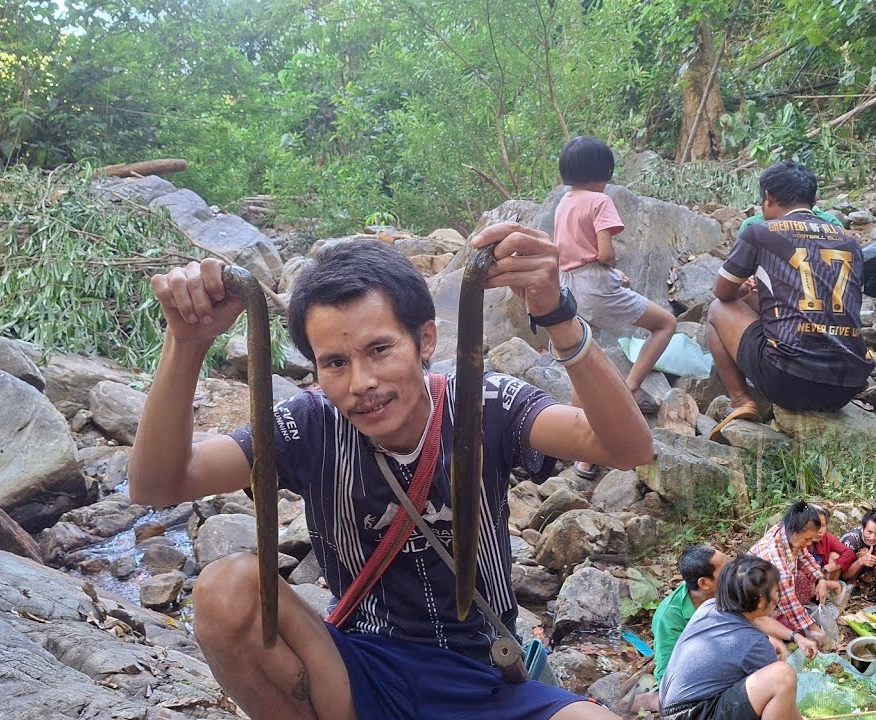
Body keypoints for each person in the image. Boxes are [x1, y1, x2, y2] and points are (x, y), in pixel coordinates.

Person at [128, 227, 655, 720]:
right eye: (335, 363)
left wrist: (559, 315)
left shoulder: (485, 402)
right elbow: (158, 485)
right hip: (361, 669)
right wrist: (187, 343)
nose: (362, 382)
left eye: (380, 349)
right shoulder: (308, 424)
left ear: (424, 340)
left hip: (482, 675)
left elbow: (625, 447)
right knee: (226, 587)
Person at [706, 161, 874, 439]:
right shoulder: (849, 240)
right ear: (814, 200)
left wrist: (746, 290)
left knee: (717, 309)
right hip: (848, 384)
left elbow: (722, 292)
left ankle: (741, 401)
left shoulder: (760, 232)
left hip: (788, 380)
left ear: (769, 197)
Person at [552, 136, 678, 477]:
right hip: (596, 287)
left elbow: (572, 253)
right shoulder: (600, 200)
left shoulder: (565, 201)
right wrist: (612, 262)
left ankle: (581, 455)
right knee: (665, 324)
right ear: (604, 172)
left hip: (569, 287)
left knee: (584, 362)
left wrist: (608, 269)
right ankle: (631, 388)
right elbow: (604, 252)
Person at [659, 555, 805, 720]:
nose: (779, 596)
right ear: (760, 602)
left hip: (670, 707)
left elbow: (751, 626)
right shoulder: (755, 644)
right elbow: (780, 695)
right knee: (782, 676)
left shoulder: (709, 607)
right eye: (777, 591)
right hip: (695, 714)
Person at [750, 501, 840, 648]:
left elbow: (805, 558)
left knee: (806, 583)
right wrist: (811, 626)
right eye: (807, 539)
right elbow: (786, 597)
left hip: (777, 590)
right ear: (795, 531)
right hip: (758, 596)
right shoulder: (773, 554)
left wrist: (821, 579)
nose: (810, 544)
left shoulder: (789, 532)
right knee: (793, 629)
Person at [653, 546, 732, 684]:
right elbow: (668, 671)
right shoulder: (668, 617)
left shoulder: (723, 587)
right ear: (704, 583)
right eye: (725, 570)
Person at [840, 508, 876, 588]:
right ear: (863, 527)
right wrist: (861, 561)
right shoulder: (850, 541)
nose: (872, 537)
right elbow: (843, 575)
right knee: (864, 552)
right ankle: (851, 583)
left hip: (866, 566)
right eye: (869, 532)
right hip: (846, 572)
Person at [806, 505, 856, 582]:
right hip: (807, 579)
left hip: (824, 576)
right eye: (816, 525)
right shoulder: (801, 540)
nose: (820, 530)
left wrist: (829, 567)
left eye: (823, 525)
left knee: (835, 556)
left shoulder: (826, 537)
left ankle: (830, 588)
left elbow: (849, 553)